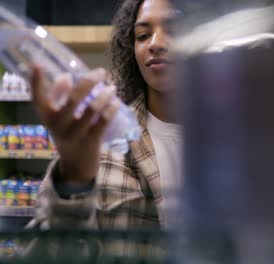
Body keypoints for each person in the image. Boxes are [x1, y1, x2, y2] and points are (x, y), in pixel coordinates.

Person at [29, 0, 180, 237]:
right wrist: (73, 178)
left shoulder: (241, 140)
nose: (156, 43)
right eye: (142, 35)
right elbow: (48, 250)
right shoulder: (103, 138)